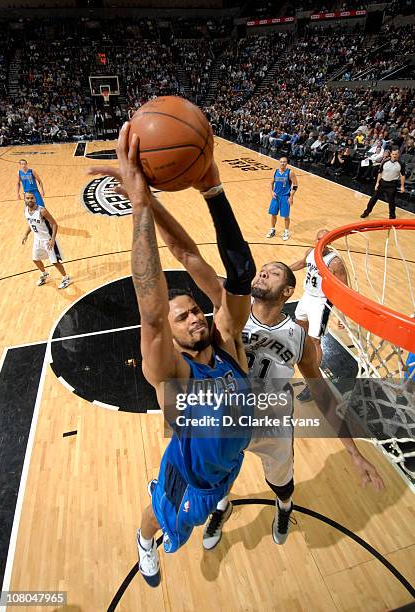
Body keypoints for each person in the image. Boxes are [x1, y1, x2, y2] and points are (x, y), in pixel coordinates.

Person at [146, 202, 384, 551]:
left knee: (282, 482)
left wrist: (352, 452)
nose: (262, 274)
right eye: (262, 271)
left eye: (273, 273)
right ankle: (220, 509)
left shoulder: (299, 336)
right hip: (226, 424)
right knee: (219, 486)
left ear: (288, 291)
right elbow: (188, 256)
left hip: (272, 424)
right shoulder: (227, 317)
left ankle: (284, 507)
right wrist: (150, 205)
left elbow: (322, 394)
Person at [88, 123, 256, 587]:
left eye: (195, 311)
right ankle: (145, 543)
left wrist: (213, 190)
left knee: (230, 282)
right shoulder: (171, 377)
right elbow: (152, 311)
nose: (195, 318)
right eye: (183, 318)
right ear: (174, 336)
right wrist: (140, 205)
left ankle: (220, 500)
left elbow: (202, 260)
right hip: (190, 480)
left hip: (230, 462)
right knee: (159, 516)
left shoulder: (227, 345)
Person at [290, 229, 348, 402]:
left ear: (328, 242)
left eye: (323, 240)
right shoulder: (310, 252)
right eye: (318, 239)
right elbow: (302, 263)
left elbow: (343, 289)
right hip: (307, 296)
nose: (320, 242)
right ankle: (300, 359)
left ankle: (313, 383)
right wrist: (284, 269)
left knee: (315, 340)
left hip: (321, 302)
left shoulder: (334, 262)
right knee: (300, 332)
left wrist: (342, 316)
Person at [22, 192, 71, 289]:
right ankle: (44, 274)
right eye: (28, 198)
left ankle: (66, 278)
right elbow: (30, 223)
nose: (30, 200)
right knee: (35, 259)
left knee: (55, 262)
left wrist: (52, 240)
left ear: (35, 199)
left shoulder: (42, 211)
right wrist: (26, 234)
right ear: (25, 199)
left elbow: (54, 224)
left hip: (47, 239)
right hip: (37, 239)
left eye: (32, 198)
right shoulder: (26, 210)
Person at [360, 148, 406, 220]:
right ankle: (366, 212)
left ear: (398, 155)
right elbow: (380, 173)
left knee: (391, 202)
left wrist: (402, 186)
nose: (394, 156)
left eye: (396, 154)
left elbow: (403, 175)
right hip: (382, 183)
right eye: (393, 154)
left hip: (392, 185)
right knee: (373, 199)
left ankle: (392, 217)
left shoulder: (401, 164)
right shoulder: (385, 161)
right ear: (390, 154)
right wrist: (377, 183)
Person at [266, 156, 298, 241]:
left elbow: (295, 186)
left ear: (287, 163)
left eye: (284, 162)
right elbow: (271, 183)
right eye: (281, 162)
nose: (282, 163)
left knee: (285, 216)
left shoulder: (290, 173)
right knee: (273, 214)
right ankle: (272, 230)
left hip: (285, 197)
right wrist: (272, 192)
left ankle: (286, 231)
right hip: (276, 196)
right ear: (279, 162)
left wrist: (291, 197)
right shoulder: (276, 171)